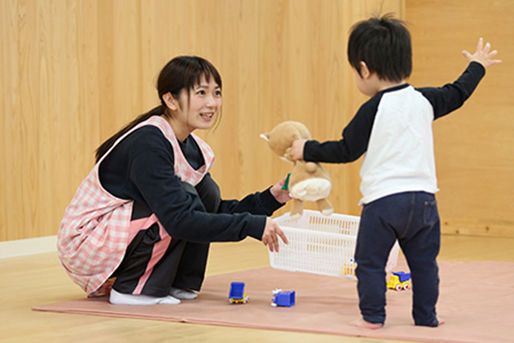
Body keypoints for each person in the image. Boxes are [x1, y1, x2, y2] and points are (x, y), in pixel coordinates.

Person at [289, 15, 501, 328]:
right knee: (424, 265)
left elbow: (346, 150)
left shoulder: (373, 108)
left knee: (370, 264)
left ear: (364, 69)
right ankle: (426, 317)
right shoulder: (424, 99)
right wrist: (477, 66)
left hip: (384, 203)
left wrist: (306, 149)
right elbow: (457, 92)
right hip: (425, 201)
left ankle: (373, 317)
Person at [57, 56, 290, 306]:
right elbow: (179, 220)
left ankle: (179, 283)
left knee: (206, 192)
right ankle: (132, 290)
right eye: (201, 93)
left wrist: (271, 198)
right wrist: (251, 226)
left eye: (216, 93)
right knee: (183, 198)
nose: (212, 103)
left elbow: (209, 209)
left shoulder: (193, 148)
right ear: (170, 100)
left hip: (122, 234)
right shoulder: (149, 142)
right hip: (87, 243)